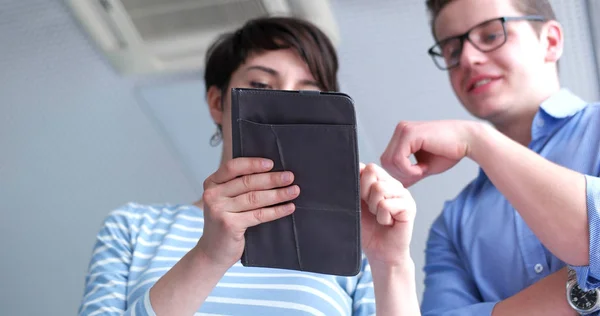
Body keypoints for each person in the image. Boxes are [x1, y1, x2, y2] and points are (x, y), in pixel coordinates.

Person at [78, 16, 419, 316]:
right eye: (260, 85)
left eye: (308, 91)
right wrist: (208, 257)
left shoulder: (353, 247)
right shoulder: (132, 227)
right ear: (217, 102)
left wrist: (392, 265)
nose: (283, 100)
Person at [380, 0, 600, 315]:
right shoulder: (452, 225)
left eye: (491, 35)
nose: (468, 58)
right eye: (452, 51)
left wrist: (476, 139)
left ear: (550, 41)